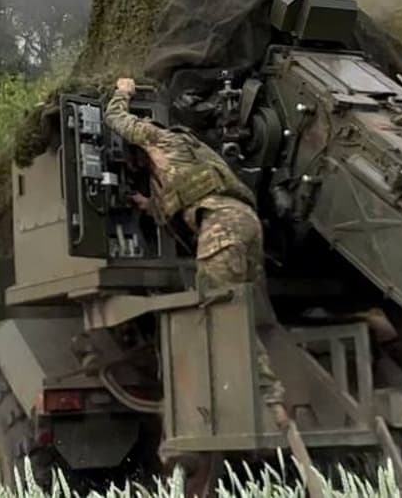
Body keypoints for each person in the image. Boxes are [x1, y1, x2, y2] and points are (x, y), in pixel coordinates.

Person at [105, 77, 289, 427]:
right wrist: (148, 205)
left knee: (222, 313)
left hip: (221, 229)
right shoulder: (191, 153)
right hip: (246, 223)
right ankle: (270, 393)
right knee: (248, 312)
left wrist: (122, 92)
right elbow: (184, 200)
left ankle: (268, 400)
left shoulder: (158, 138)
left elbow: (115, 119)